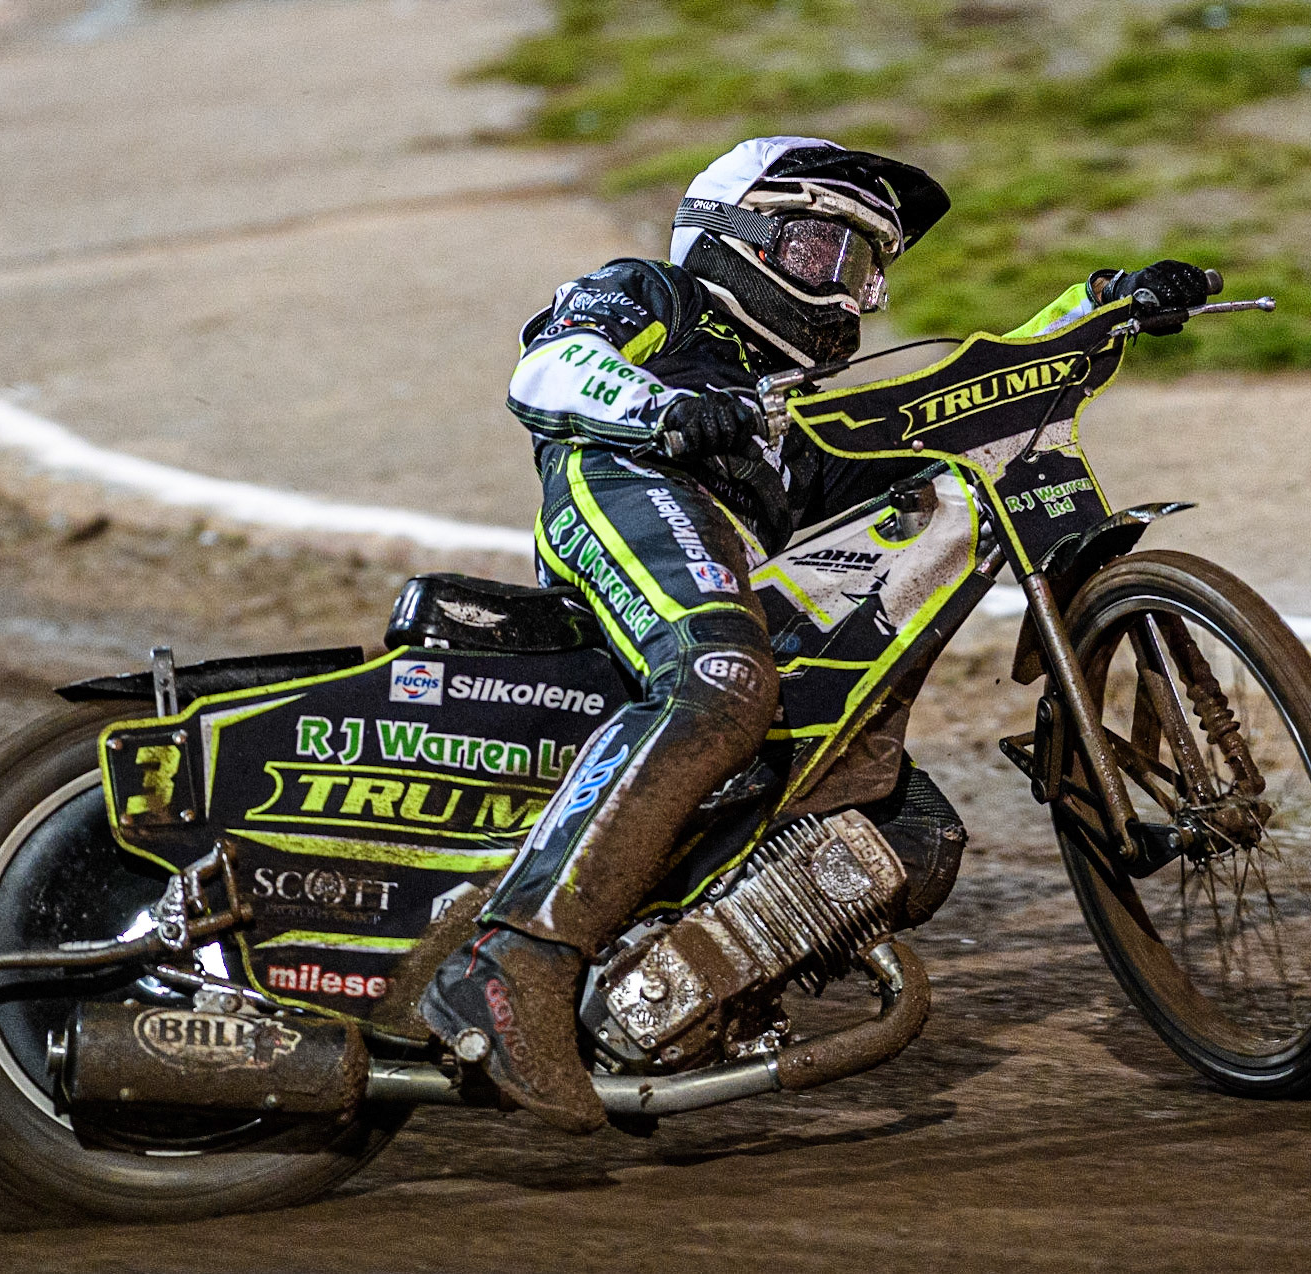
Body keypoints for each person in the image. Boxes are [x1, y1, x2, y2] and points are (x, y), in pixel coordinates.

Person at [420, 135, 1210, 1133]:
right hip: (618, 484)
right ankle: (513, 962)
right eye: (817, 253)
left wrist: (1097, 307)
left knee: (909, 835)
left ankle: (663, 996)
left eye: (864, 268)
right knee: (721, 674)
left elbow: (975, 394)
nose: (843, 291)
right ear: (734, 234)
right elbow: (551, 369)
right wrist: (667, 409)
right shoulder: (653, 293)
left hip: (732, 579)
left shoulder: (813, 412)